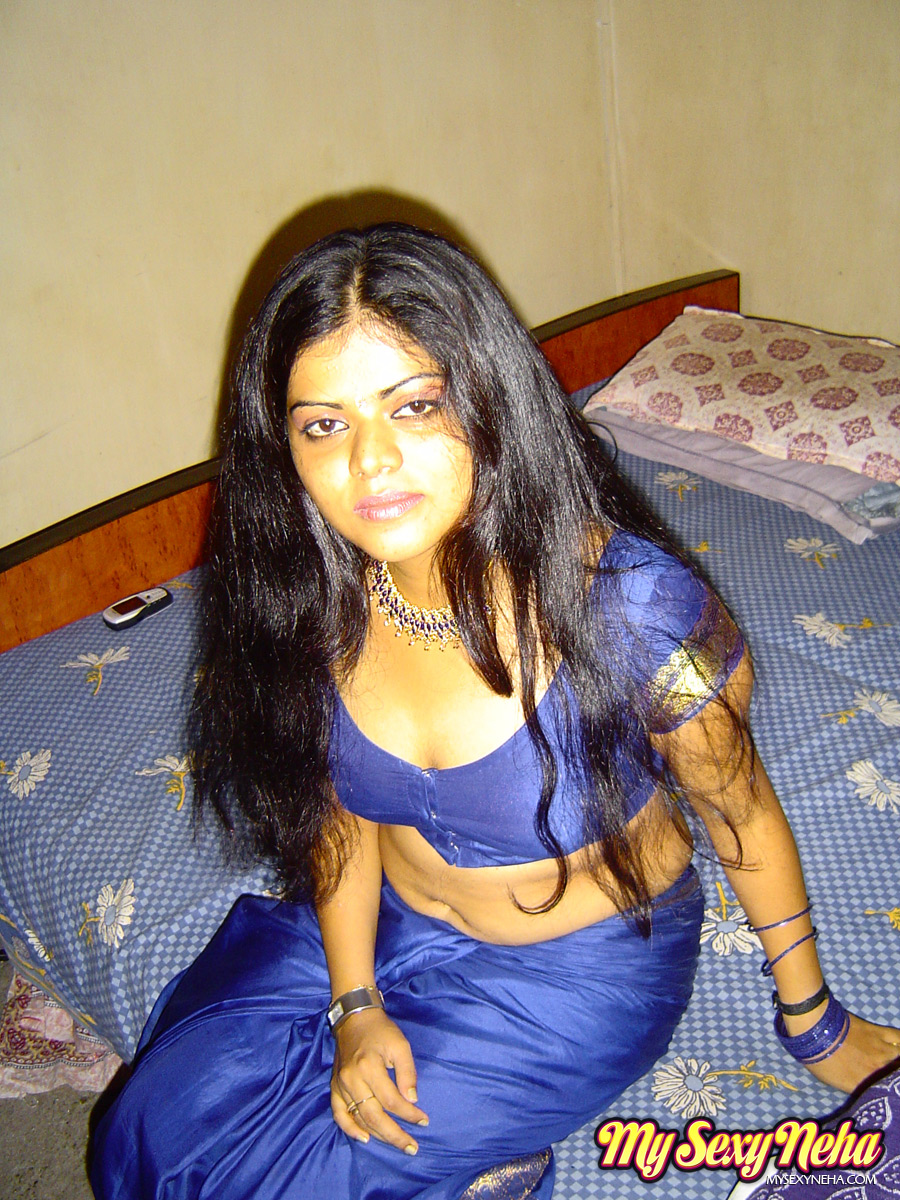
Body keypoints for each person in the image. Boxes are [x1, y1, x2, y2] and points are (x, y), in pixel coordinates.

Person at [91, 224, 900, 1200]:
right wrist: (355, 1004)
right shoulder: (317, 601)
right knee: (153, 1126)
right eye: (325, 425)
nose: (371, 462)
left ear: (486, 398)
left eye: (414, 405)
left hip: (575, 972)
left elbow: (742, 812)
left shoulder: (635, 610)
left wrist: (814, 1020)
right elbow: (337, 820)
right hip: (383, 922)